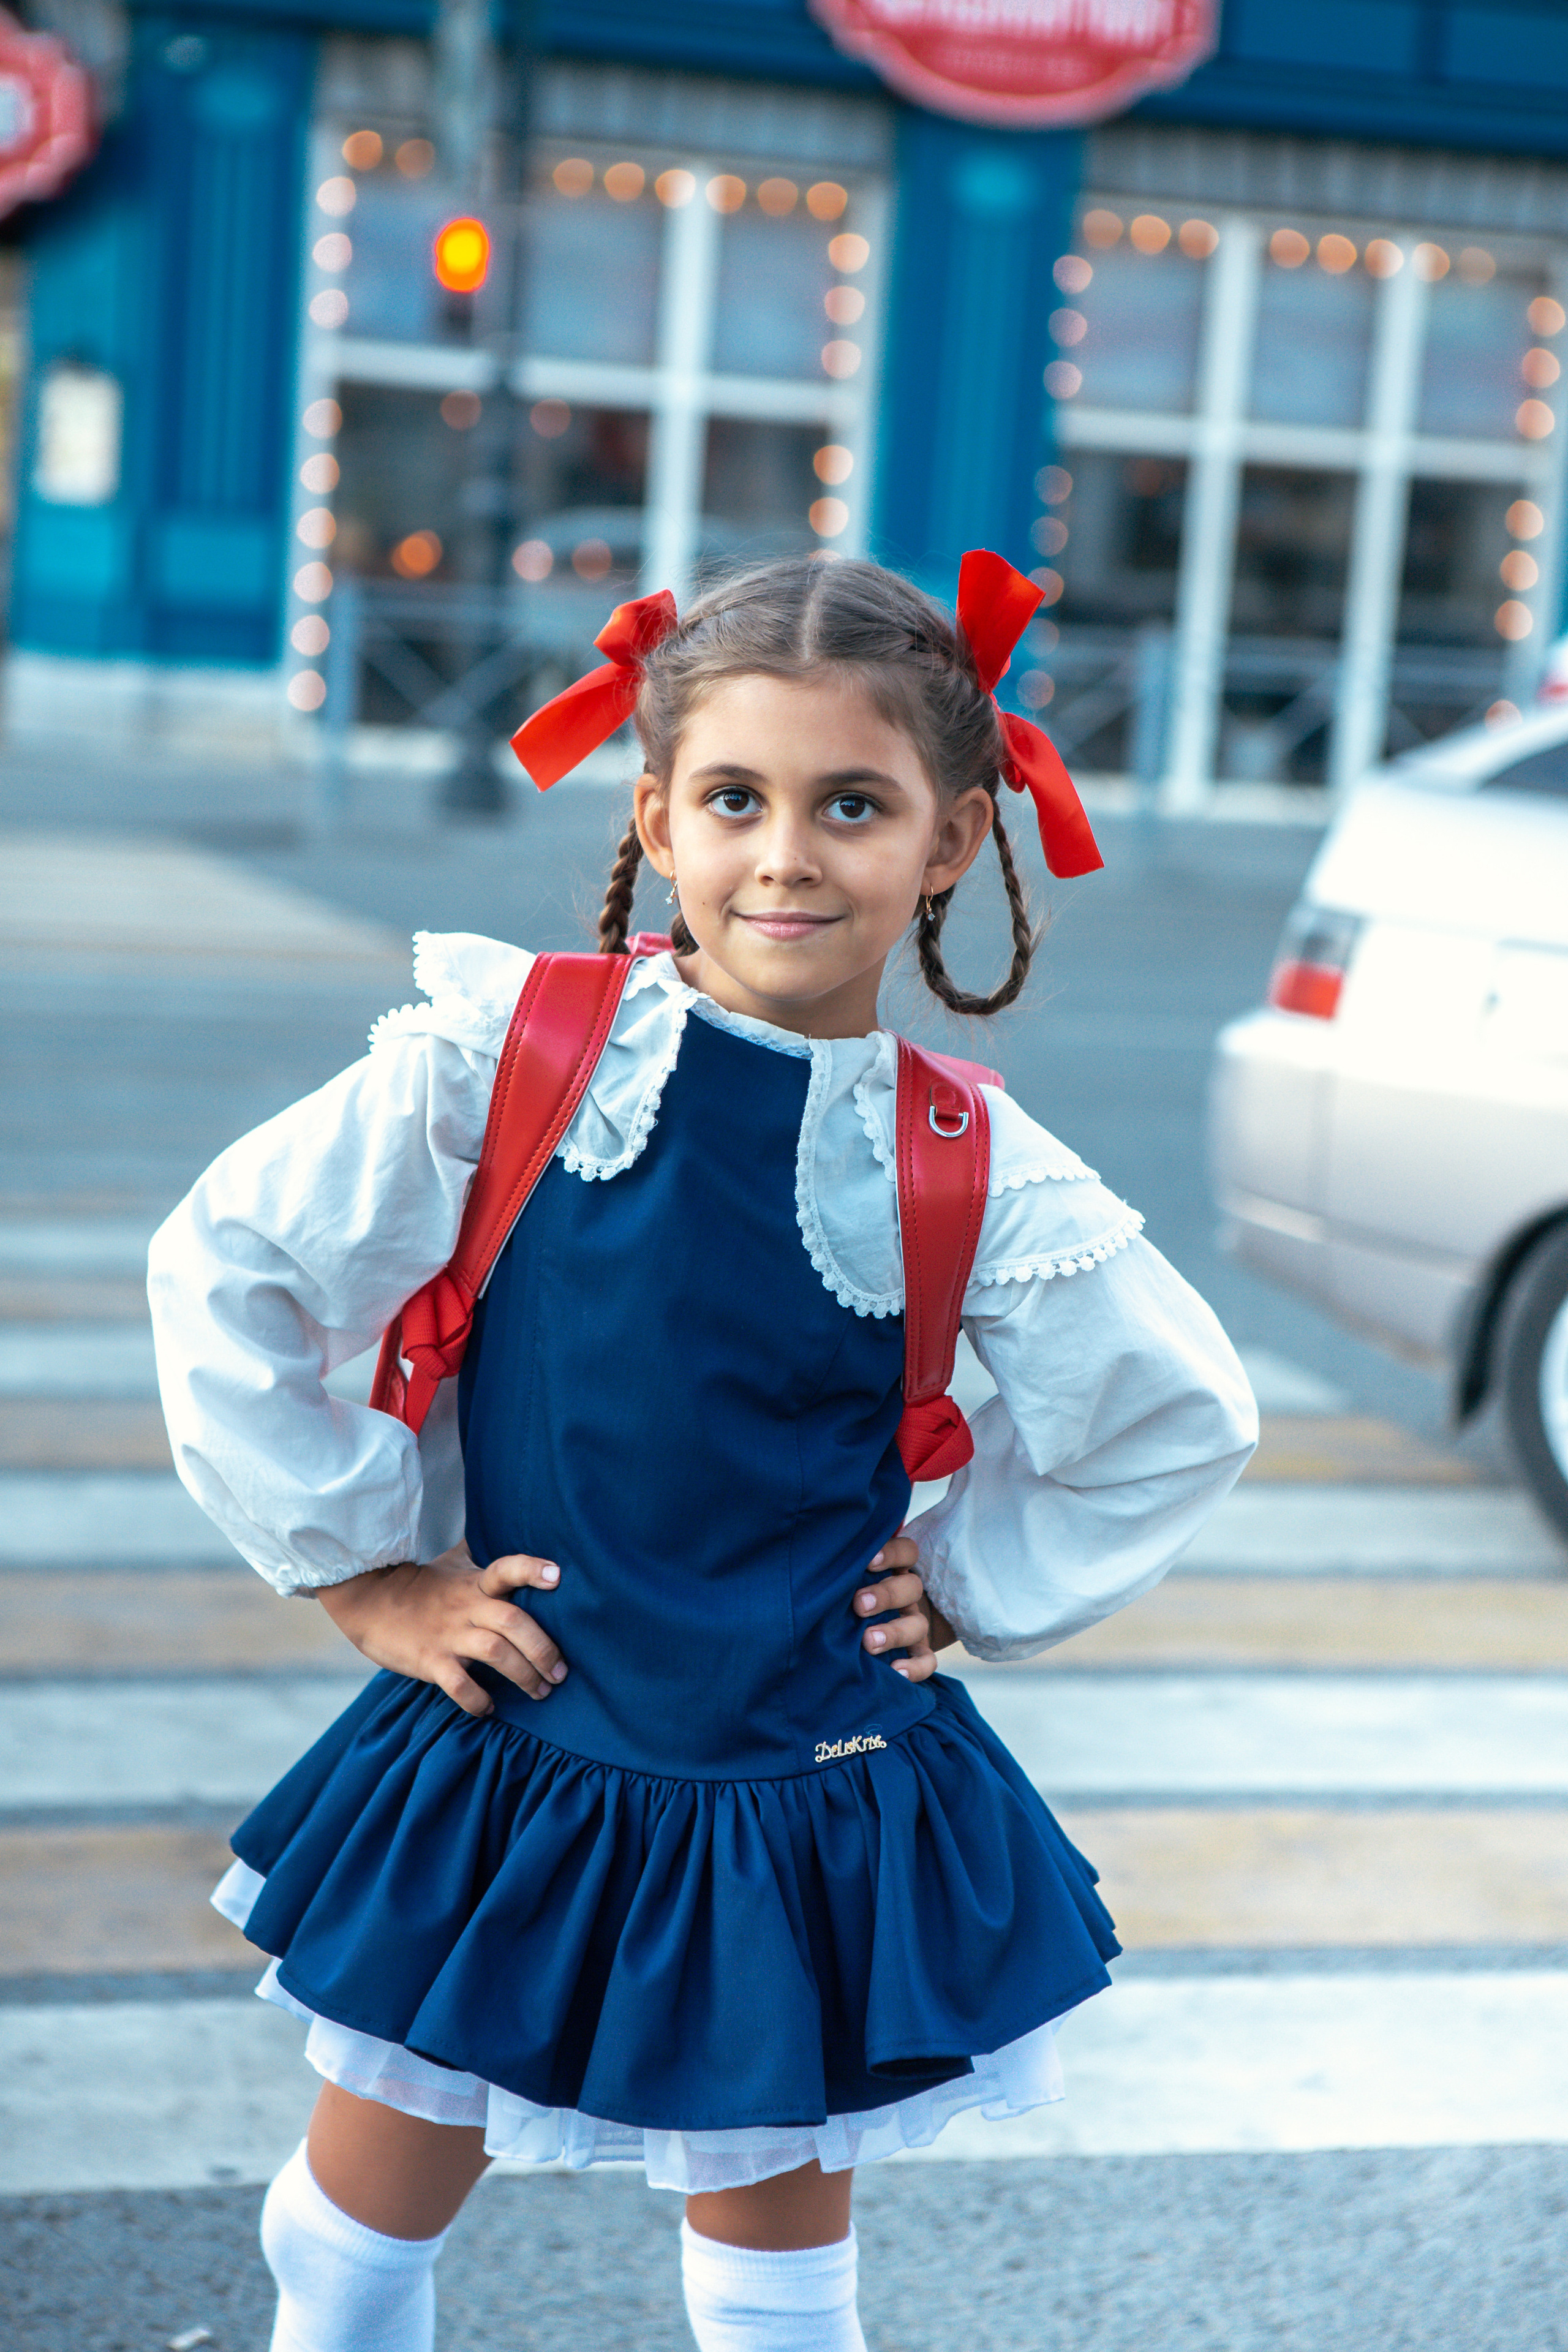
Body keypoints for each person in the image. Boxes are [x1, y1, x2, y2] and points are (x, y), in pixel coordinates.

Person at [149, 550, 1256, 2352]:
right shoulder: (517, 1055)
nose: (789, 856)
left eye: (854, 805)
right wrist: (366, 1569)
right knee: (357, 2237)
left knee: (774, 2303)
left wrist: (970, 1574)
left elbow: (1178, 1416)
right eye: (737, 799)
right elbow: (234, 1260)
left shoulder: (970, 1154)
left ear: (956, 838)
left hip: (792, 1778)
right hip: (516, 1736)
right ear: (657, 815)